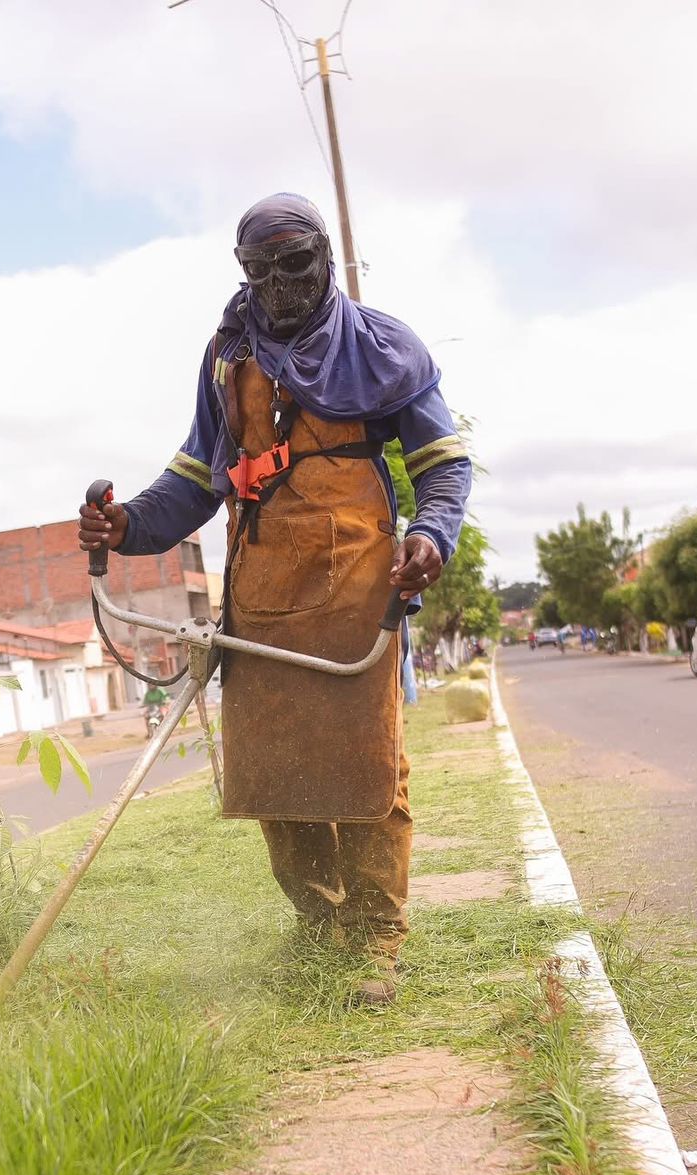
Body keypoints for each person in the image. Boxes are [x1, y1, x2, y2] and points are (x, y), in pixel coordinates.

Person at [78, 193, 471, 1006]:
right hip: (259, 593)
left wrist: (431, 533)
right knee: (275, 775)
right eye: (260, 270)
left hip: (358, 588)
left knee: (366, 770)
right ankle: (320, 931)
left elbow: (442, 463)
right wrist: (128, 525)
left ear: (325, 257)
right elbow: (197, 477)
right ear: (242, 272)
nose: (280, 285)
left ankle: (373, 944)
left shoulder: (383, 350)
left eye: (296, 264)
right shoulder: (229, 356)